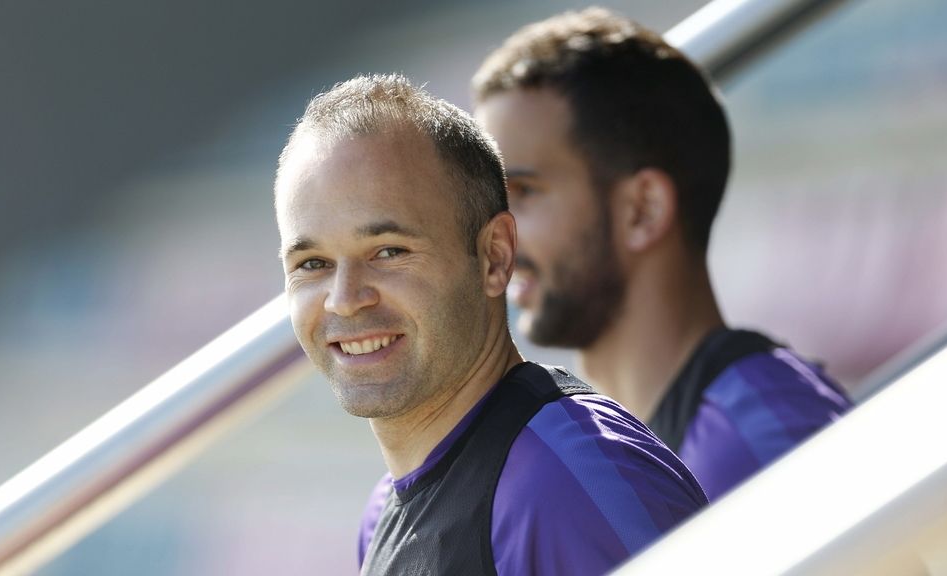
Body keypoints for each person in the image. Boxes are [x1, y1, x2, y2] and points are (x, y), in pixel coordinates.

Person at [274, 73, 707, 575]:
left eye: (389, 252)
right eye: (312, 263)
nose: (345, 300)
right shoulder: (386, 513)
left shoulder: (566, 481)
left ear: (494, 258)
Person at [471, 7, 852, 501]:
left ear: (643, 210)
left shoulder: (761, 439)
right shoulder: (625, 446)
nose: (495, 236)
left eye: (521, 191)